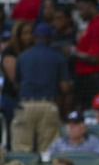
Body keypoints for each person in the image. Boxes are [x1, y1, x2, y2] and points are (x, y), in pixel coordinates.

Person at [11, 23, 70, 153]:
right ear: (49, 38)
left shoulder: (23, 56)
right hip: (48, 104)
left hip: (25, 104)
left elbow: (16, 84)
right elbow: (64, 87)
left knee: (21, 150)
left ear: (35, 37)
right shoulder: (58, 57)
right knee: (47, 150)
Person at [71, 0, 99, 110]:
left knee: (91, 113)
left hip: (95, 79)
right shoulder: (93, 25)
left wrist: (73, 53)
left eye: (81, 9)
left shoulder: (98, 25)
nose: (80, 13)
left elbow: (94, 58)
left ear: (90, 6)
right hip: (91, 78)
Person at [1, 21, 34, 148]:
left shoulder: (32, 50)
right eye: (25, 33)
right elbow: (15, 80)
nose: (29, 36)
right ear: (17, 35)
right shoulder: (10, 51)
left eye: (31, 33)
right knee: (12, 136)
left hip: (28, 101)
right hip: (12, 99)